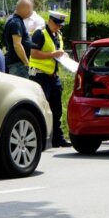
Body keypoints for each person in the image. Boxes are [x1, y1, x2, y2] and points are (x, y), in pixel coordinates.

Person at [29, 11, 71, 147]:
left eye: (61, 26)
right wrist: (53, 54)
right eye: (57, 25)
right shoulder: (40, 34)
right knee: (41, 108)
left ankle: (57, 138)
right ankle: (40, 139)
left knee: (56, 108)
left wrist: (64, 57)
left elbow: (57, 53)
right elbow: (33, 54)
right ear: (50, 21)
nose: (59, 28)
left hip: (53, 76)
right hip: (39, 76)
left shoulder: (58, 36)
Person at [2, 0, 34, 78]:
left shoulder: (12, 19)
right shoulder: (16, 22)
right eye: (30, 9)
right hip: (18, 65)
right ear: (24, 8)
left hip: (16, 64)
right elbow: (17, 45)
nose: (31, 12)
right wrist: (27, 63)